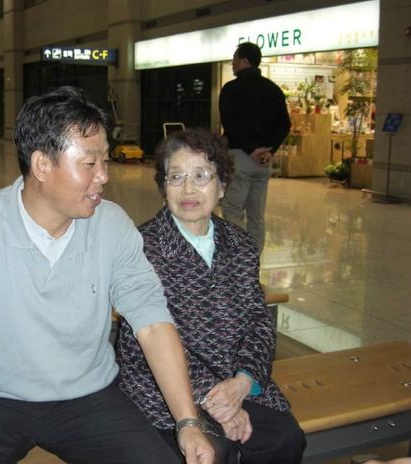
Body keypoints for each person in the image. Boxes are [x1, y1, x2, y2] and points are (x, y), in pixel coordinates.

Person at [0, 87, 215, 464]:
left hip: (87, 396)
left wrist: (188, 422)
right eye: (89, 163)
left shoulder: (111, 225)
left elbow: (152, 322)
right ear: (42, 165)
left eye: (104, 160)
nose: (103, 176)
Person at [115, 128, 306, 464]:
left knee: (284, 439)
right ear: (163, 187)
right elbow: (143, 343)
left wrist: (243, 382)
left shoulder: (240, 244)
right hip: (163, 390)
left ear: (222, 186)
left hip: (234, 381)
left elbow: (258, 321)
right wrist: (214, 400)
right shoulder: (142, 249)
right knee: (213, 452)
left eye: (201, 176)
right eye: (176, 177)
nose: (188, 189)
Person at [218, 42, 291, 254]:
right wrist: (270, 151)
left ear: (244, 61)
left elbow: (230, 125)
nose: (232, 63)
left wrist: (251, 149)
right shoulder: (273, 89)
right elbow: (285, 124)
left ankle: (238, 260)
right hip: (264, 161)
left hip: (240, 158)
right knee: (256, 216)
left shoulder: (231, 90)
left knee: (232, 209)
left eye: (234, 59)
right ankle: (253, 260)